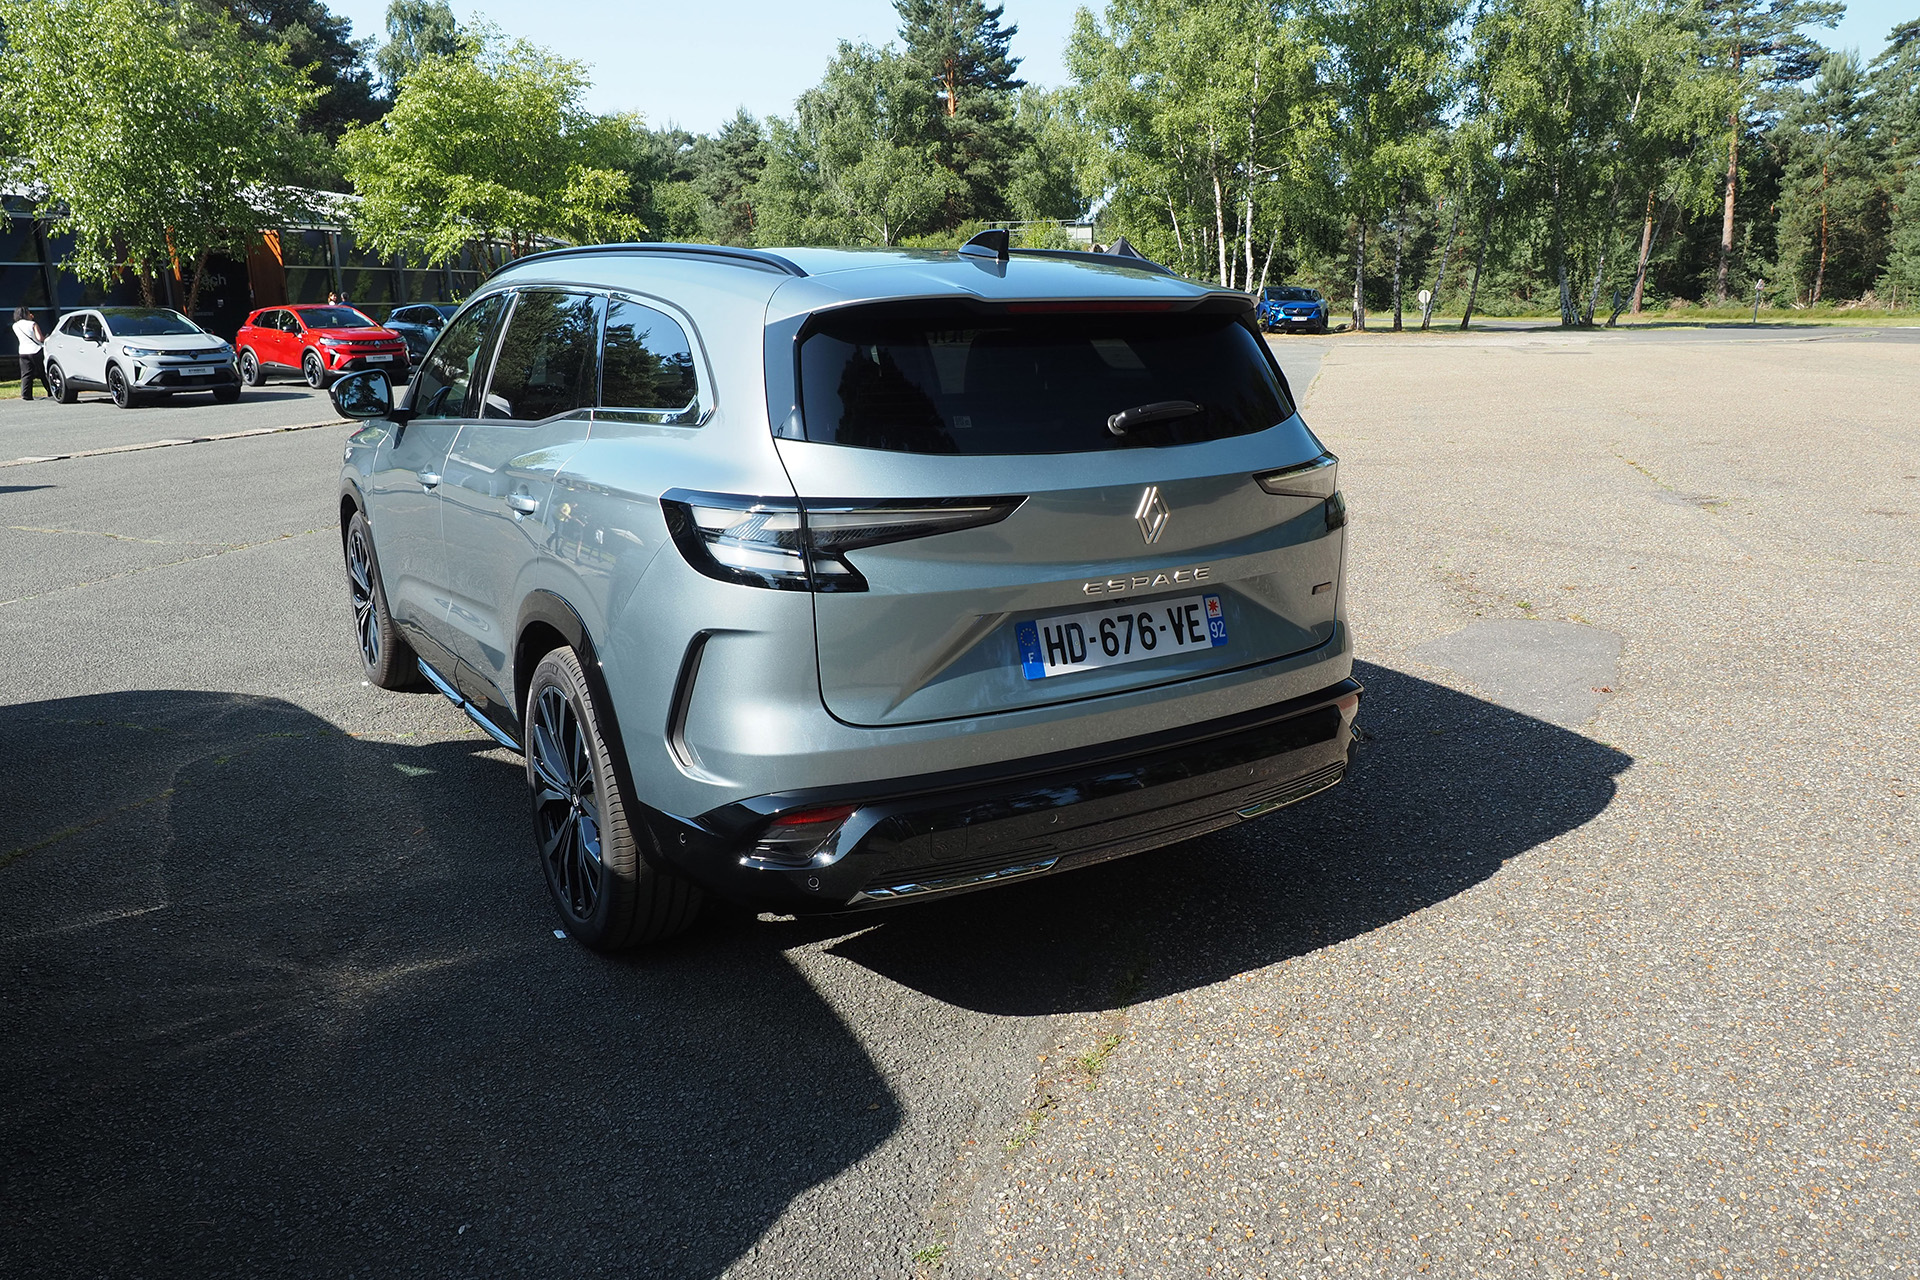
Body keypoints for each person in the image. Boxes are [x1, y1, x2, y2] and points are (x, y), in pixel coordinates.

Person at [12, 303, 47, 401]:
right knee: (43, 372)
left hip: (23, 351)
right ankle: (51, 391)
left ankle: (26, 394)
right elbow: (40, 338)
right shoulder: (33, 324)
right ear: (26, 313)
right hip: (36, 350)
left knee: (26, 374)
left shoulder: (15, 326)